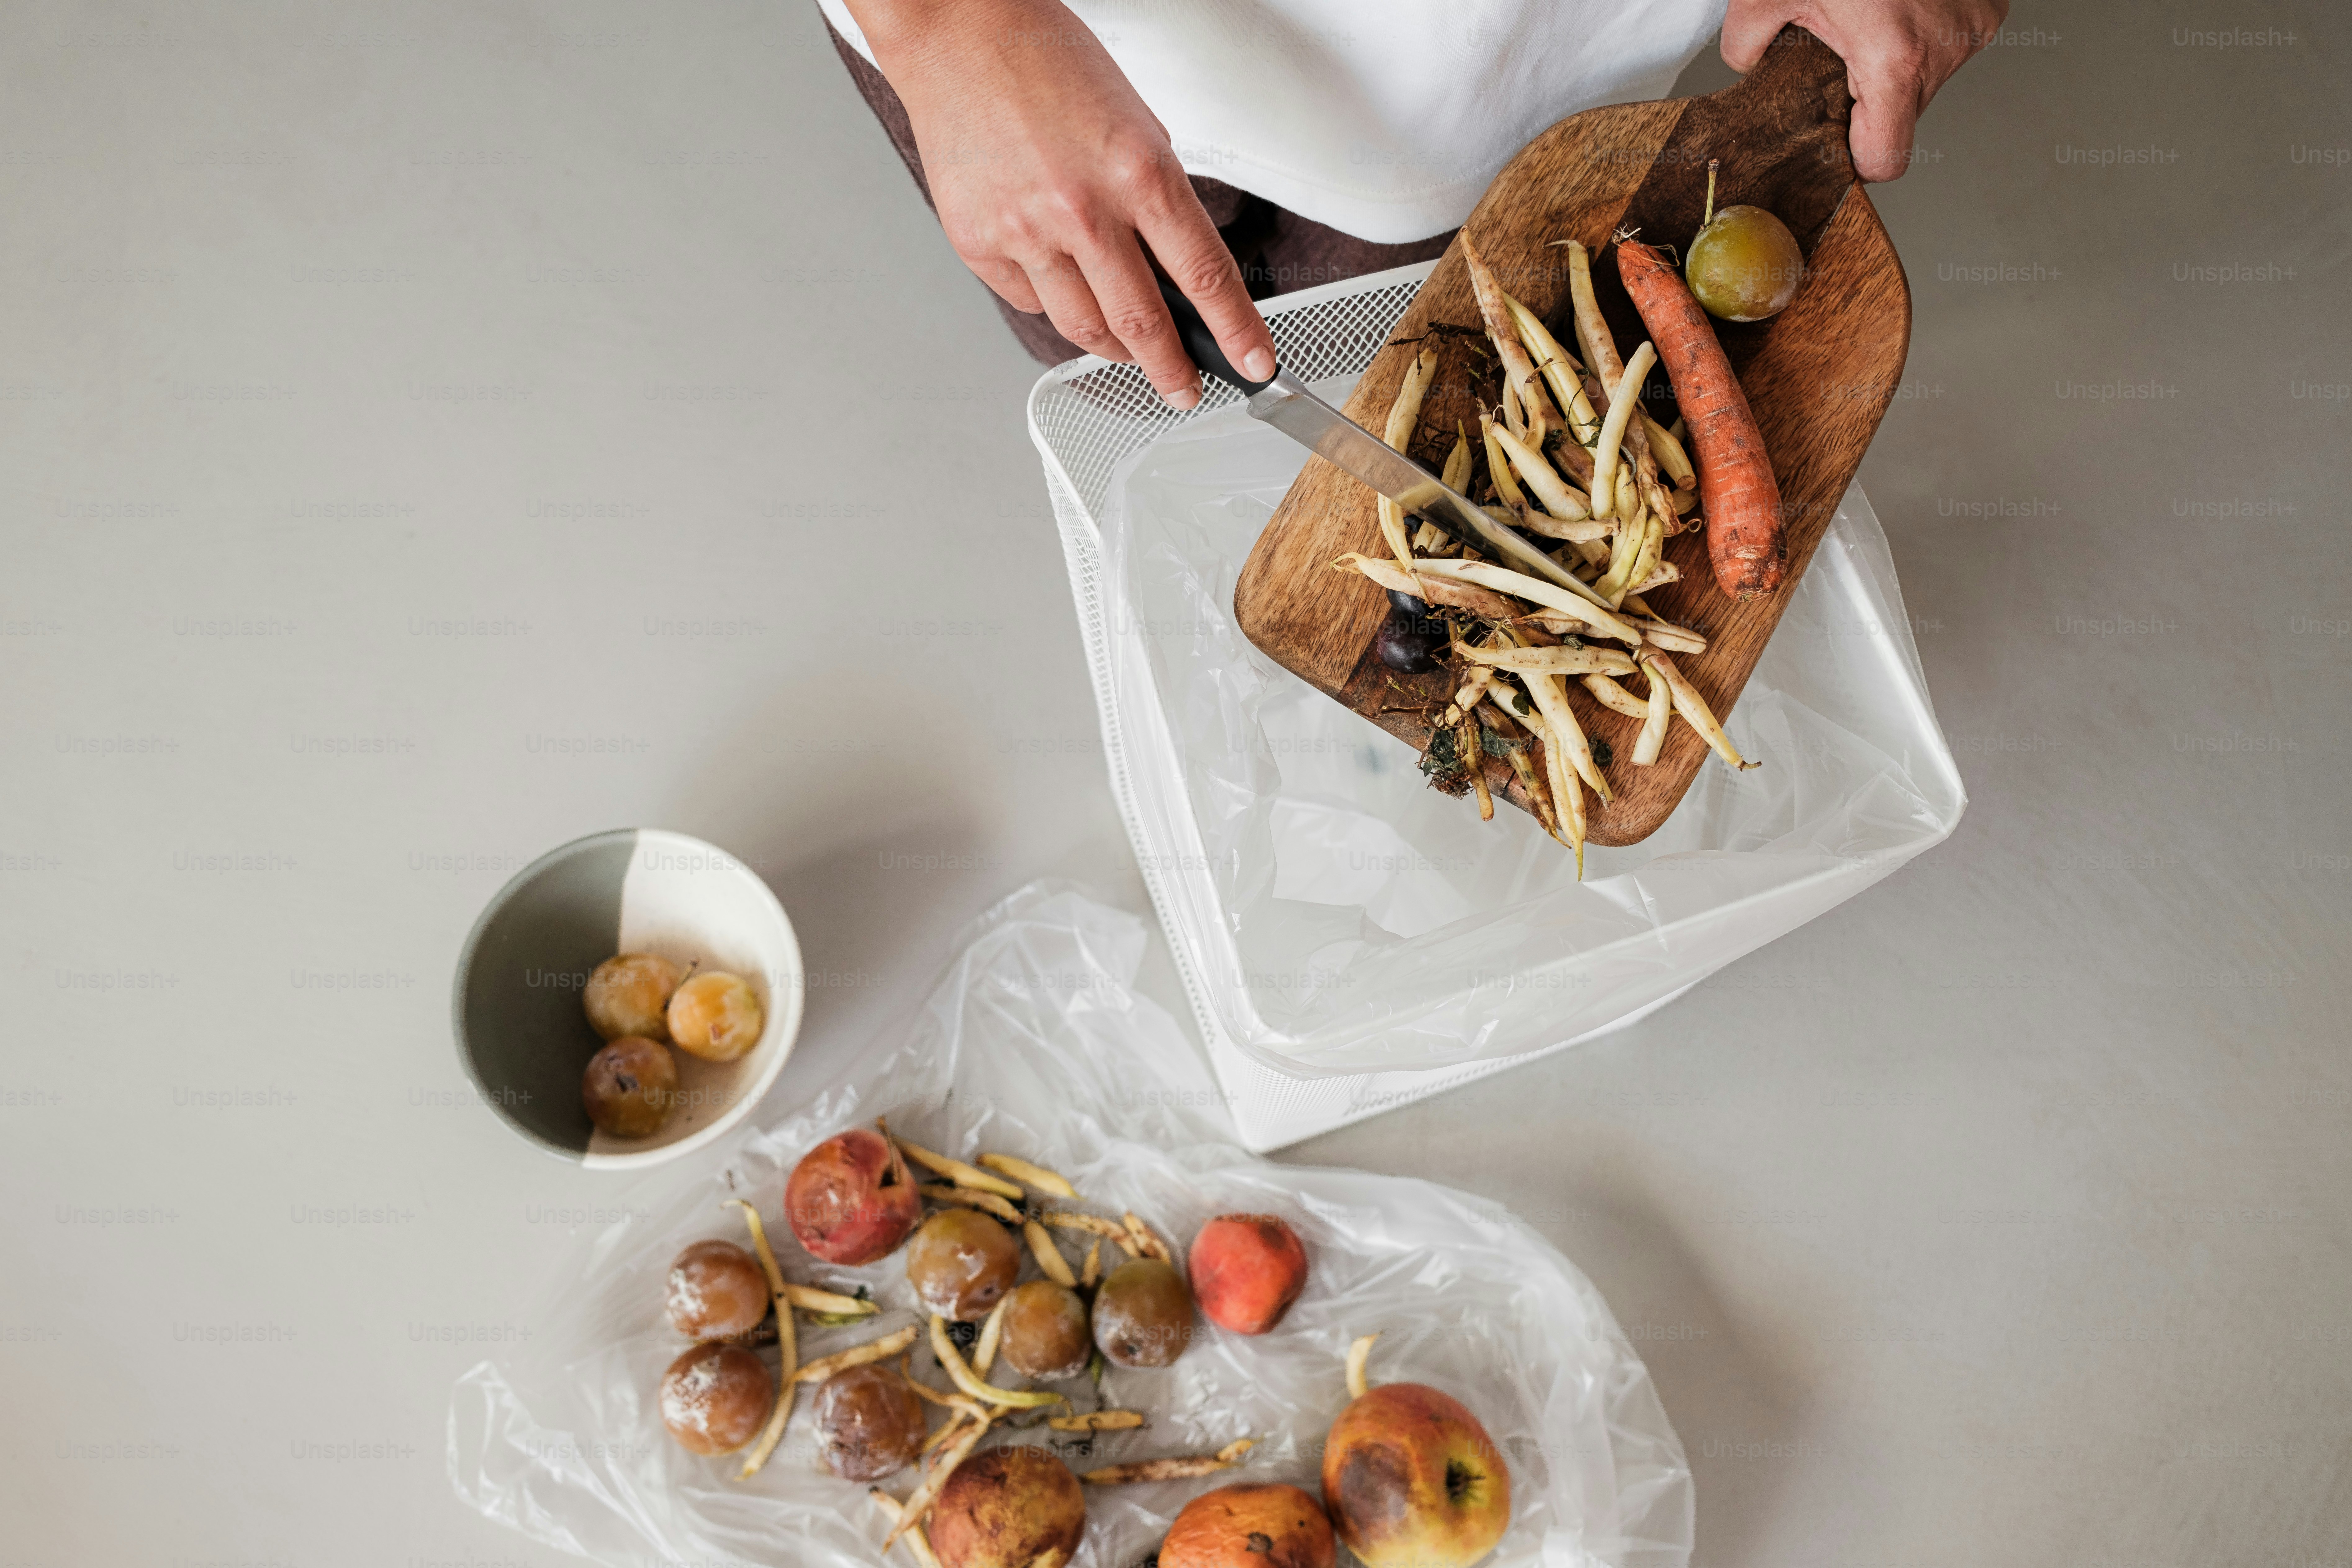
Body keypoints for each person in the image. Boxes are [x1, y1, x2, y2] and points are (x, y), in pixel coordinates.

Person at [824, 0, 2006, 406]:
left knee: (1411, 404)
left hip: (1497, 86)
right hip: (1022, 59)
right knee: (1121, 366)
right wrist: (944, 24)